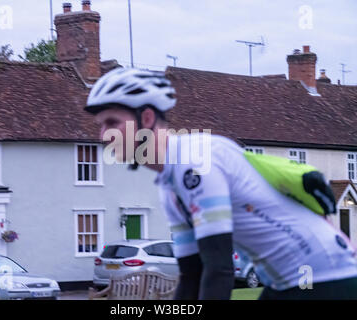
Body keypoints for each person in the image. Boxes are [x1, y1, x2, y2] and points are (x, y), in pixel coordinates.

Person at [84, 67, 357, 300]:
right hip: (286, 281)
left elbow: (220, 268)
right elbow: (193, 274)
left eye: (111, 122)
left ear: (146, 118)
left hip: (326, 275)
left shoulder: (196, 161)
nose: (103, 135)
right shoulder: (169, 185)